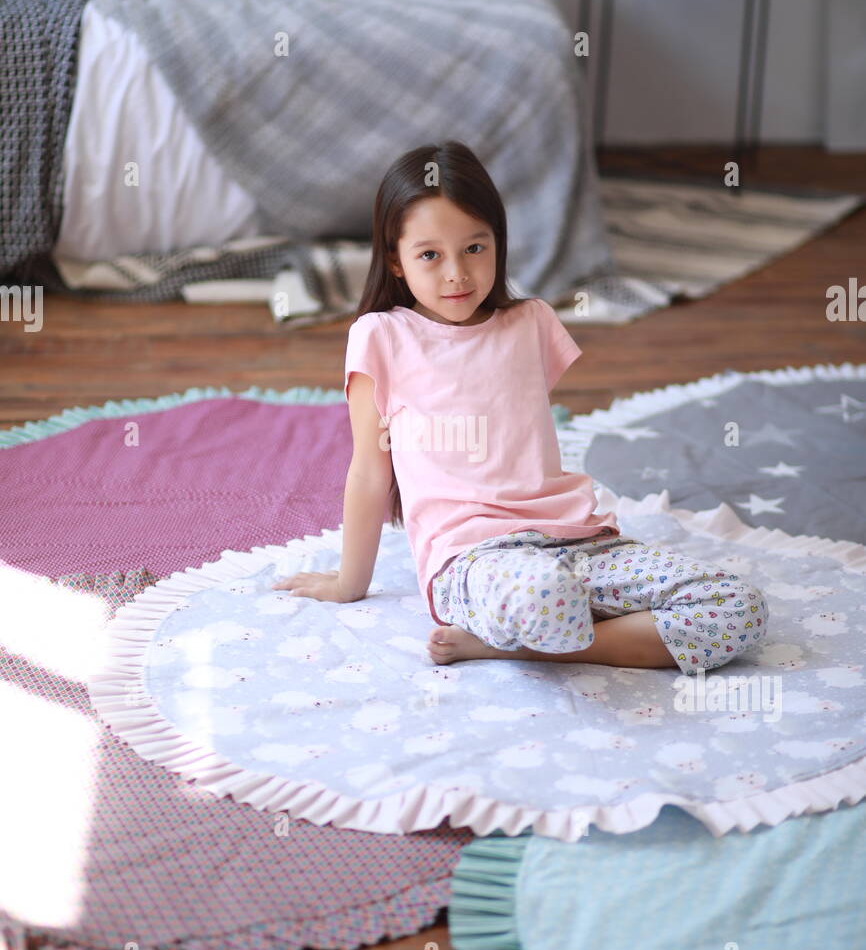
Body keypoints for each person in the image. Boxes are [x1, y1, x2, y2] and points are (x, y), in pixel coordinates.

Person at [273, 141, 769, 675]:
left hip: (581, 542)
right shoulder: (381, 337)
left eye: (474, 248)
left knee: (740, 609)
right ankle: (561, 626)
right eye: (429, 255)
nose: (456, 275)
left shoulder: (532, 322)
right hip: (475, 560)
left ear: (498, 244)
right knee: (545, 595)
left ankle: (519, 644)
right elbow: (370, 471)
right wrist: (350, 584)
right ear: (395, 259)